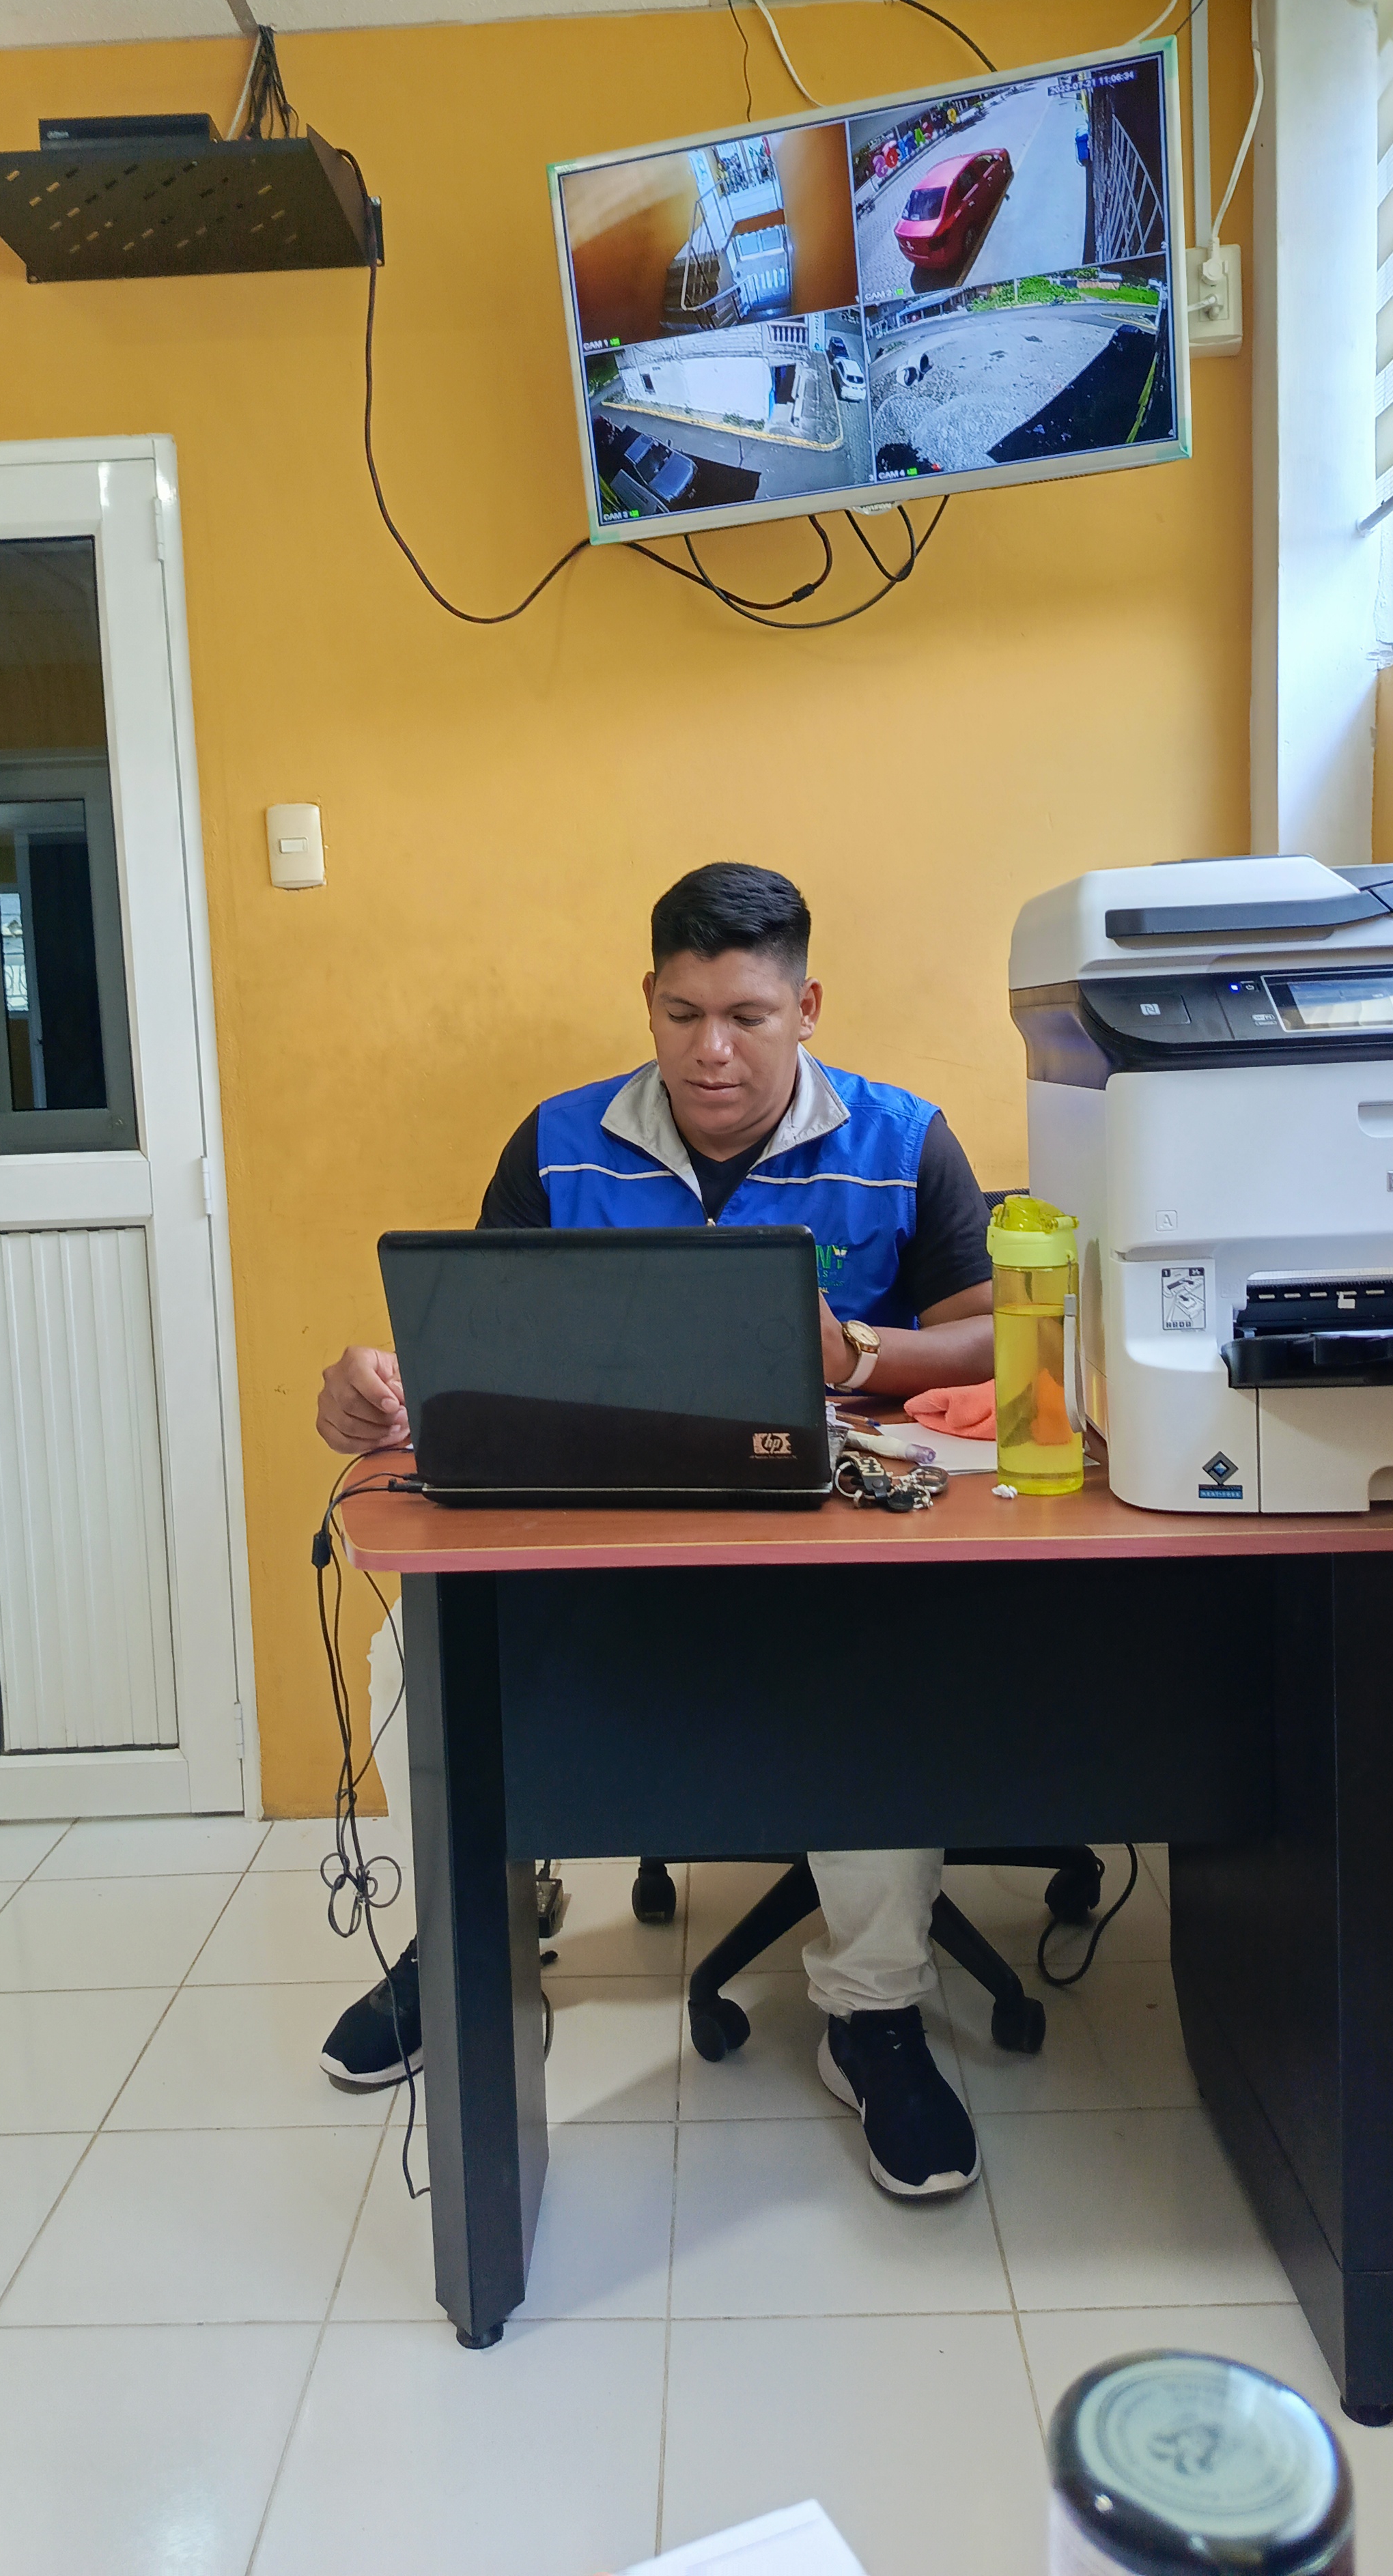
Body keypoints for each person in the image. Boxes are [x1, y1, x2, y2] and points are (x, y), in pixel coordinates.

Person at [315, 862, 998, 2199]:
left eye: (747, 1016)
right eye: (683, 1015)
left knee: (886, 1673)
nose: (712, 1051)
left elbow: (992, 1336)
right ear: (648, 1000)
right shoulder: (558, 1141)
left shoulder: (904, 1142)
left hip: (824, 1545)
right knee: (421, 1660)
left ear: (807, 1005)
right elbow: (480, 1342)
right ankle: (475, 1934)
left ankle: (872, 2012)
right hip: (599, 1532)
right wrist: (380, 1390)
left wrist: (857, 1353)